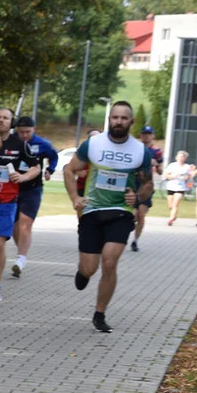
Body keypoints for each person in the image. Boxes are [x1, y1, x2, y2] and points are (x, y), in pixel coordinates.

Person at [63, 101, 153, 333]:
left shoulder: (140, 151)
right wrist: (75, 198)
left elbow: (148, 184)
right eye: (115, 117)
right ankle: (83, 272)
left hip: (121, 213)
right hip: (92, 211)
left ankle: (100, 313)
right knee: (89, 268)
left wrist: (138, 197)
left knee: (110, 261)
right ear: (109, 120)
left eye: (124, 118)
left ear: (131, 122)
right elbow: (69, 170)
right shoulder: (93, 144)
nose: (119, 122)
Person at [0, 108, 40, 302]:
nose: (1, 121)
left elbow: (36, 167)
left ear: (12, 122)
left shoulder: (19, 144)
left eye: (5, 118)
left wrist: (23, 176)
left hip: (7, 203)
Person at [9, 116, 58, 277]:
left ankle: (21, 259)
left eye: (27, 132)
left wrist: (50, 170)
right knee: (15, 226)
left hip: (33, 189)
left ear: (34, 129)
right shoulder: (12, 141)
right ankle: (20, 251)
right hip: (13, 188)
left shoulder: (42, 144)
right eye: (21, 132)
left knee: (25, 224)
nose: (24, 135)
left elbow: (54, 156)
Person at [130, 125, 163, 251]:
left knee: (141, 215)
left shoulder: (156, 151)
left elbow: (160, 171)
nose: (146, 136)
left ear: (153, 136)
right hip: (134, 182)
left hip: (147, 184)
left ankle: (135, 241)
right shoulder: (135, 148)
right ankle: (130, 222)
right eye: (144, 133)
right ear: (141, 135)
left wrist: (156, 164)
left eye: (149, 134)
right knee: (133, 213)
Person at [163, 151, 193, 226]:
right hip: (171, 186)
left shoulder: (187, 167)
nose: (180, 158)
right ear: (176, 157)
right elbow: (167, 175)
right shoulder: (172, 165)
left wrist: (187, 178)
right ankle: (174, 215)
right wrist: (173, 176)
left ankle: (171, 219)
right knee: (170, 205)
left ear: (185, 158)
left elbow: (189, 177)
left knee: (175, 203)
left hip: (181, 187)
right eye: (179, 156)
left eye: (182, 157)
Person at [74, 128, 101, 203]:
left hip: (98, 188)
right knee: (82, 208)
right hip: (82, 186)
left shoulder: (104, 152)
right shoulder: (83, 151)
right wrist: (78, 172)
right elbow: (71, 168)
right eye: (92, 137)